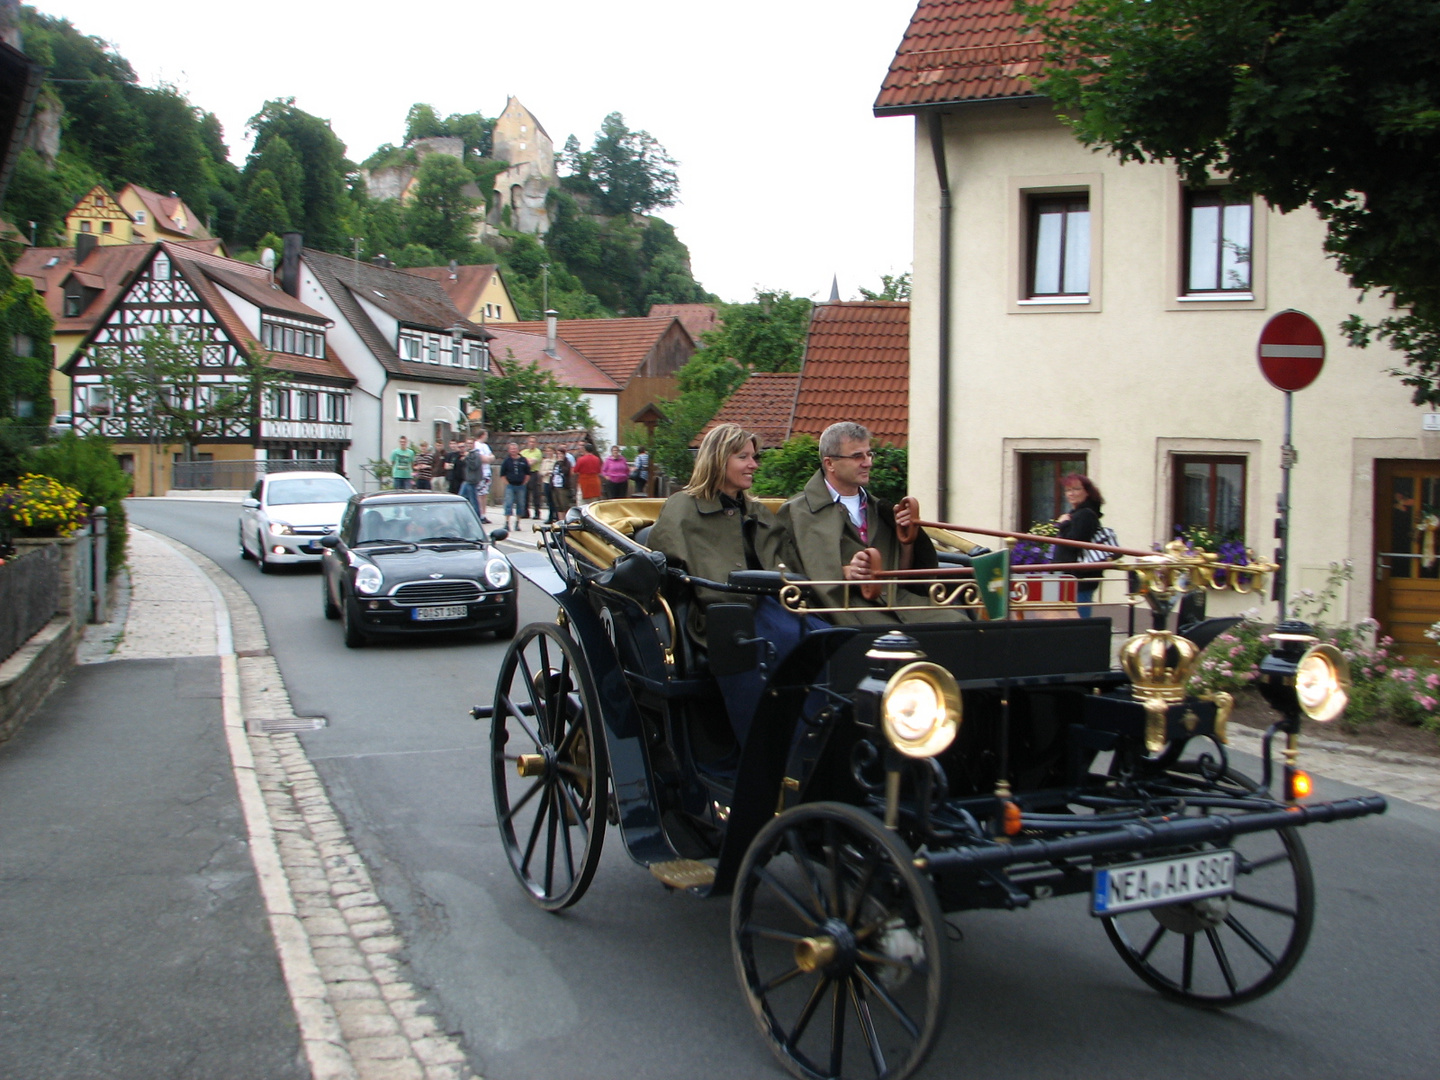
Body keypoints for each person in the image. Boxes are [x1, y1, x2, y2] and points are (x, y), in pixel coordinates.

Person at [648, 423, 801, 742]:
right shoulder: (682, 508)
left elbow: (784, 558)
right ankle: (769, 747)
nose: (754, 464)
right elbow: (667, 568)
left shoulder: (756, 510)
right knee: (783, 641)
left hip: (771, 600)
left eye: (754, 457)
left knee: (824, 635)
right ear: (719, 459)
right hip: (719, 611)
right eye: (743, 457)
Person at [777, 421, 955, 625]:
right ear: (830, 464)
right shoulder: (797, 512)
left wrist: (906, 540)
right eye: (857, 456)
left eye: (869, 454)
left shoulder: (880, 509)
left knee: (961, 624)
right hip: (846, 608)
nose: (868, 463)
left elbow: (902, 577)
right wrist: (844, 572)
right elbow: (790, 574)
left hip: (898, 603)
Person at [1054, 473, 1107, 617]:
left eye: (1076, 489)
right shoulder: (1078, 513)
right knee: (1069, 617)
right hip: (1073, 577)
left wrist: (1064, 524)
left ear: (1087, 492)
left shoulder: (1085, 514)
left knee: (1077, 618)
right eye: (1067, 490)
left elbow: (1074, 542)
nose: (1071, 493)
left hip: (1079, 578)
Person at [499, 441, 531, 532]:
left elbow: (528, 473)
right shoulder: (506, 461)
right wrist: (507, 483)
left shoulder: (523, 460)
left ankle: (517, 523)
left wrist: (524, 482)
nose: (513, 450)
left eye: (515, 449)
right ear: (509, 450)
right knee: (508, 504)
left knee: (521, 504)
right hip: (510, 486)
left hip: (521, 486)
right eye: (511, 449)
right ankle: (507, 523)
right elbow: (502, 474)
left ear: (518, 450)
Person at [472, 429, 494, 522]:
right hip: (480, 473)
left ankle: (484, 514)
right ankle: (479, 513)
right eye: (486, 435)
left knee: (484, 494)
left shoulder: (485, 446)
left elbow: (492, 457)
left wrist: (488, 458)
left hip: (487, 473)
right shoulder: (477, 445)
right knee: (479, 495)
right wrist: (488, 458)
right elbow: (482, 459)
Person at [521, 435, 544, 519]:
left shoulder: (537, 452)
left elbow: (531, 463)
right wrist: (526, 461)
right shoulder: (524, 452)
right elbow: (520, 462)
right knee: (525, 493)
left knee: (536, 494)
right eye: (530, 442)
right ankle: (525, 512)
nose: (531, 443)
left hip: (534, 473)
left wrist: (525, 461)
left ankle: (537, 512)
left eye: (533, 442)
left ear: (536, 443)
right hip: (525, 474)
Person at [548, 448, 575, 518]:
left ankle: (566, 520)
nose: (559, 455)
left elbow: (566, 471)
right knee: (558, 506)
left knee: (564, 505)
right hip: (555, 486)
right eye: (558, 454)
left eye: (561, 454)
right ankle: (560, 521)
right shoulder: (556, 463)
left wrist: (561, 463)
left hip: (563, 487)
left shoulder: (567, 463)